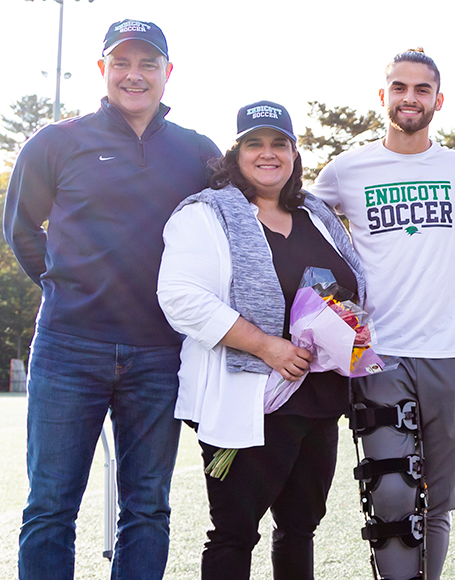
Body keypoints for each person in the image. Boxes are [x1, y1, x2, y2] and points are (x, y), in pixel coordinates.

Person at [3, 19, 220, 579]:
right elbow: (23, 229)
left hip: (160, 353)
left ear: (167, 73)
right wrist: (65, 284)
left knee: (147, 507)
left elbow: (241, 215)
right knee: (50, 506)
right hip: (68, 346)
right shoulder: (57, 141)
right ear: (103, 70)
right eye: (121, 62)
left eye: (148, 63)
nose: (134, 74)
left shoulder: (196, 151)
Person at [158, 101, 363, 579]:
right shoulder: (206, 213)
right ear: (237, 153)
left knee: (300, 527)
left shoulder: (316, 214)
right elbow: (181, 297)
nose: (267, 154)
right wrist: (266, 346)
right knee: (234, 532)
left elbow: (350, 289)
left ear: (293, 153)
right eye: (255, 143)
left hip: (317, 400)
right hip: (249, 399)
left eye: (279, 143)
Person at [310, 48, 455, 580]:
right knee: (390, 496)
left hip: (451, 348)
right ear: (383, 97)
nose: (410, 98)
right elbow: (291, 215)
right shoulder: (346, 170)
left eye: (422, 89)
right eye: (400, 88)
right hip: (380, 352)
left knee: (440, 500)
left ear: (438, 100)